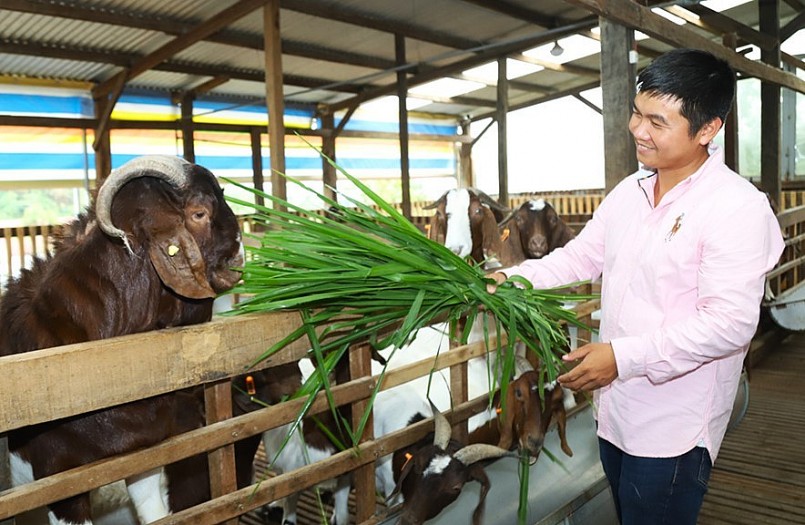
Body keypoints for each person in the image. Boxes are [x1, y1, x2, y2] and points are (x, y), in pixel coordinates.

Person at [487, 48, 784, 525]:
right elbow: (581, 256)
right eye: (636, 113)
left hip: (673, 428)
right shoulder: (632, 191)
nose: (638, 130)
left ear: (707, 129)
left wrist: (622, 358)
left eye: (657, 122)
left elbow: (729, 324)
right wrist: (512, 278)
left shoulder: (736, 207)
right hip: (615, 411)